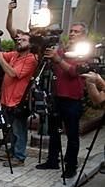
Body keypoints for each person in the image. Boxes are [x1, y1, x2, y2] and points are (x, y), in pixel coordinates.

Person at [35, 22, 89, 178]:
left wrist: (57, 59)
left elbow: (73, 72)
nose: (72, 34)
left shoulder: (83, 52)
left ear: (83, 35)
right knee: (54, 130)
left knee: (72, 134)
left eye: (76, 32)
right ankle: (53, 160)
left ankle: (71, 165)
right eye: (71, 31)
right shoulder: (61, 50)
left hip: (72, 99)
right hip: (57, 96)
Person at [0, 32, 38, 167]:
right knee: (11, 129)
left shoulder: (31, 59)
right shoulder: (15, 55)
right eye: (19, 39)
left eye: (24, 40)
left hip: (19, 101)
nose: (20, 42)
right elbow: (0, 54)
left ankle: (19, 156)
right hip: (7, 99)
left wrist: (0, 57)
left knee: (19, 129)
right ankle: (12, 151)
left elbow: (13, 73)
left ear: (30, 44)